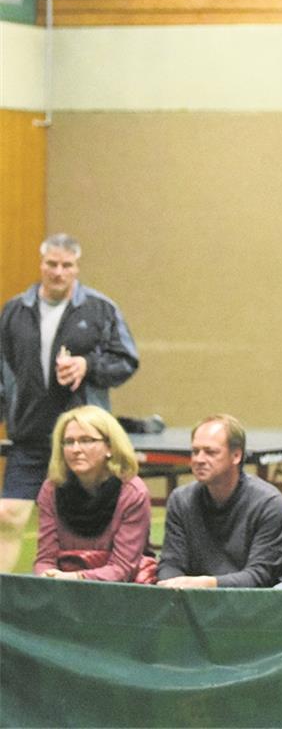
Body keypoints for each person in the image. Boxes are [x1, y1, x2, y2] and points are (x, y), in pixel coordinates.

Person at [0, 233, 139, 572]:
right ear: (42, 264)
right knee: (7, 516)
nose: (58, 272)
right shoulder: (15, 310)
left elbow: (127, 360)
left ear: (76, 268)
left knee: (87, 525)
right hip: (30, 435)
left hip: (85, 439)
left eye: (66, 266)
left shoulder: (100, 308)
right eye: (52, 264)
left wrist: (88, 366)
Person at [156, 415, 282, 588]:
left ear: (236, 456)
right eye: (195, 451)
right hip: (195, 602)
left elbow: (260, 576)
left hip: (254, 605)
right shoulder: (181, 501)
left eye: (210, 452)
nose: (199, 459)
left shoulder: (268, 503)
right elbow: (170, 564)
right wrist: (171, 584)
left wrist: (208, 584)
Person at [33, 406, 153, 582]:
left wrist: (75, 577)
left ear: (110, 447)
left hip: (119, 592)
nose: (75, 449)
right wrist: (48, 575)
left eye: (86, 440)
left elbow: (122, 568)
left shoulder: (133, 493)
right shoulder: (51, 488)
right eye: (68, 441)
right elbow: (45, 558)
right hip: (62, 586)